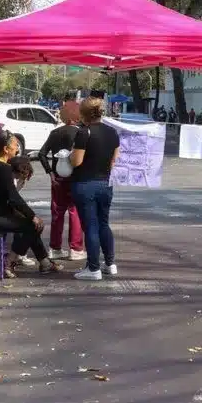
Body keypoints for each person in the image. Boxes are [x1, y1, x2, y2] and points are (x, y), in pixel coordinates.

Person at [0, 132, 59, 276]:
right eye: (15, 145)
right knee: (31, 226)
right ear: (6, 149)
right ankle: (9, 263)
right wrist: (32, 216)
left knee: (30, 223)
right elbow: (14, 197)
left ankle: (44, 262)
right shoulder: (3, 168)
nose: (17, 148)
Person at [70, 97, 121, 281]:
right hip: (106, 183)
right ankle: (110, 263)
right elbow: (114, 160)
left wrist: (68, 156)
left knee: (90, 226)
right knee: (103, 223)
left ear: (83, 114)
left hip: (85, 183)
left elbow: (76, 161)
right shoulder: (112, 132)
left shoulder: (84, 133)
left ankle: (93, 268)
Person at [37, 99, 85, 261]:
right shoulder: (81, 133)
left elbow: (41, 154)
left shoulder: (55, 133)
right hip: (76, 177)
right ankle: (75, 249)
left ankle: (55, 248)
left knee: (57, 213)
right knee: (75, 211)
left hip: (57, 177)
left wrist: (50, 172)